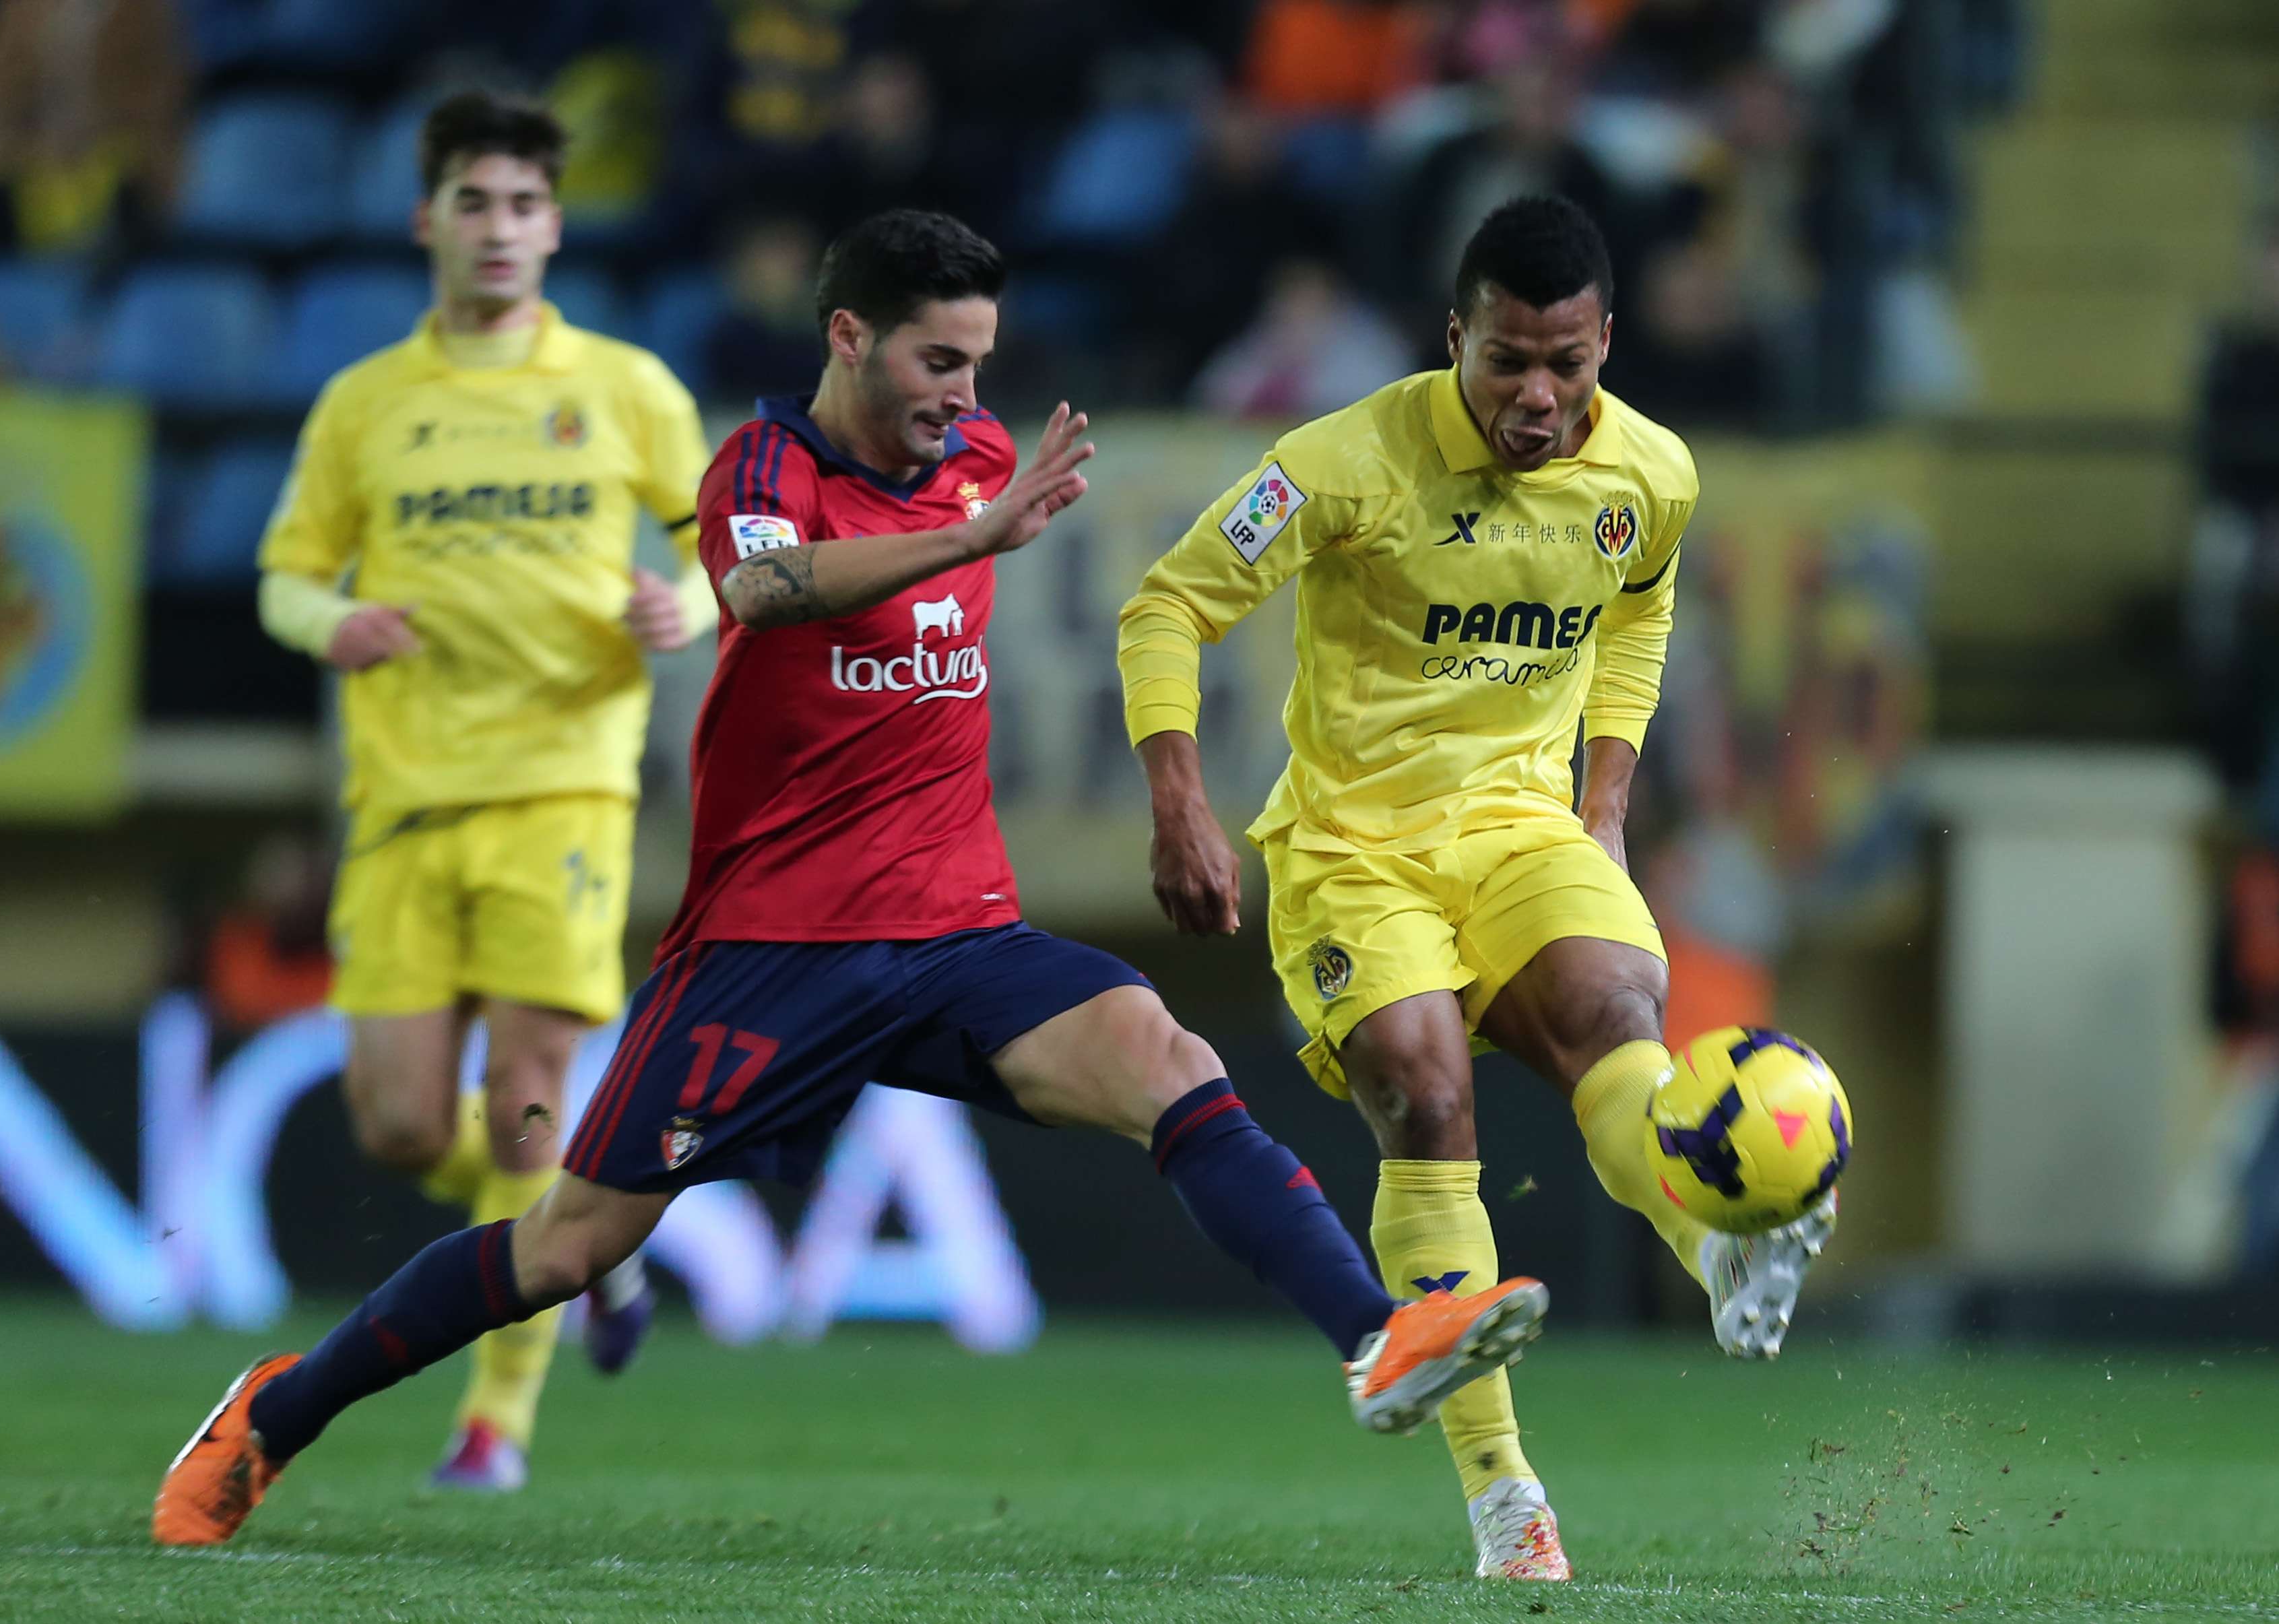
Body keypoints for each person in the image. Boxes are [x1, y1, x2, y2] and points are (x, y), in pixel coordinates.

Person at [154, 208, 1549, 1552]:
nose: (964, 393)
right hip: (773, 949)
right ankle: (273, 1415)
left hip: (956, 935)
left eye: (979, 363)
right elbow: (762, 596)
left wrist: (982, 524)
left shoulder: (979, 457)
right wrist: (971, 537)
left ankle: (1376, 1340)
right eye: (937, 360)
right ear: (847, 337)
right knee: (567, 1247)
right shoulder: (761, 471)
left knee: (1162, 1054)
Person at [1116, 195, 1838, 1581]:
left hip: (1519, 827)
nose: (1535, 394)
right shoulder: (1337, 462)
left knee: (1617, 1012)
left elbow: (1637, 613)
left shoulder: (1650, 474)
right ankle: (1505, 1497)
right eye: (1505, 358)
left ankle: (1713, 1250)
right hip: (1350, 845)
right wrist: (1177, 801)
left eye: (1566, 363)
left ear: (1604, 343)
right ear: (1453, 336)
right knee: (1420, 1081)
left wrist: (1606, 808)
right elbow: (1167, 603)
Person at [245, 90, 713, 1494]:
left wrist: (686, 598)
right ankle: (597, 1254)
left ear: (554, 227)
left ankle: (492, 1428)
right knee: (395, 1124)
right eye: (472, 202)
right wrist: (331, 624)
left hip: (560, 790)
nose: (497, 229)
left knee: (522, 1098)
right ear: (425, 221)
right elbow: (281, 575)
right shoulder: (367, 404)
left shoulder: (622, 386)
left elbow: (726, 541)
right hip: (399, 795)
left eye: (521, 205)